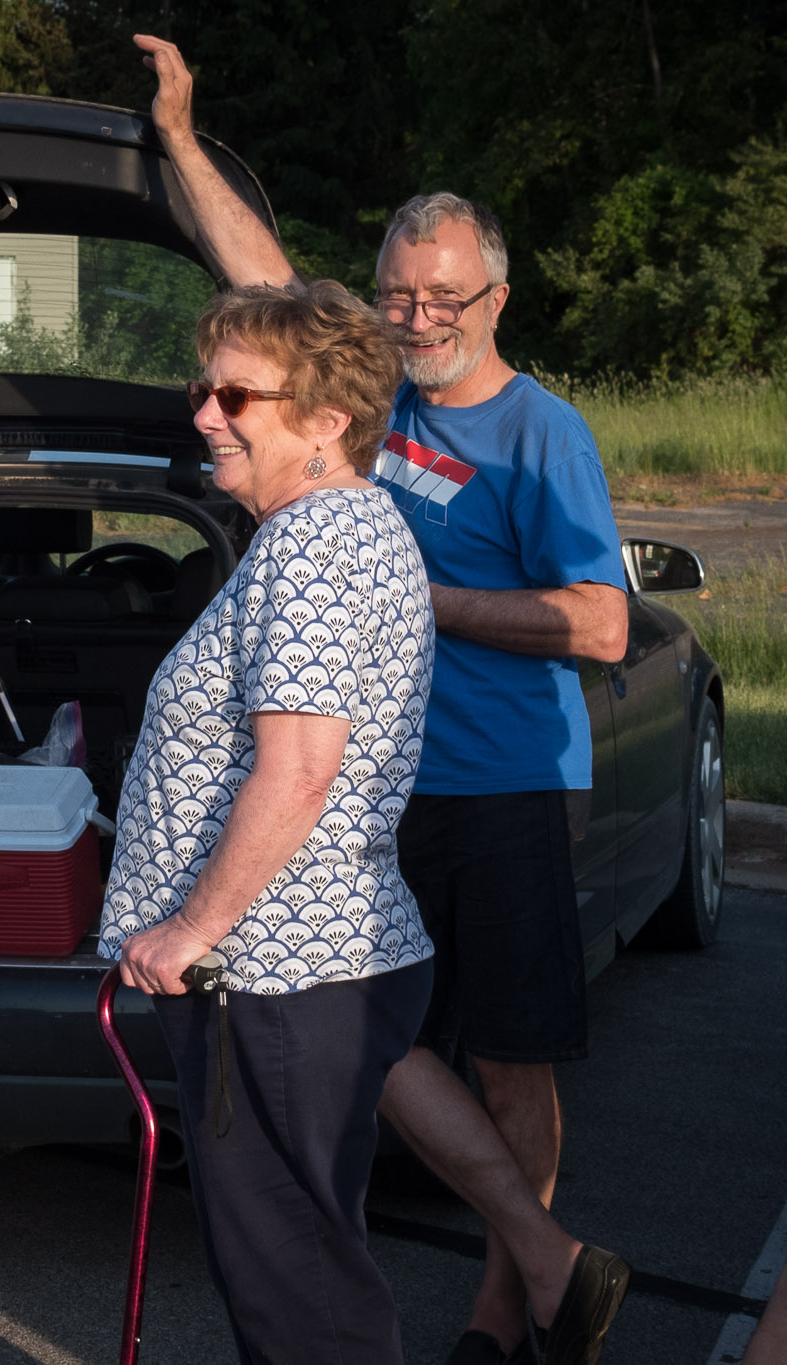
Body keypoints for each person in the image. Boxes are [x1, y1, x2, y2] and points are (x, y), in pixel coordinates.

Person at [134, 36, 634, 1365]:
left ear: (495, 298)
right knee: (372, 1037)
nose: (419, 319)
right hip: (365, 803)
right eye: (399, 296)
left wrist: (422, 597)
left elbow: (600, 624)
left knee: (505, 1060)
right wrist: (179, 137)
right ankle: (534, 1267)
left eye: (444, 298)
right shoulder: (357, 404)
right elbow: (262, 285)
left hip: (502, 778)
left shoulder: (539, 434)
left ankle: (504, 1314)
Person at [103, 280, 436, 1363]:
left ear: (326, 420)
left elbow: (296, 775)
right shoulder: (333, 529)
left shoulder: (315, 545)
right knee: (298, 1267)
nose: (206, 413)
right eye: (203, 389)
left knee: (297, 1286)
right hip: (298, 969)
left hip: (275, 976)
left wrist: (190, 930)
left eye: (236, 396)